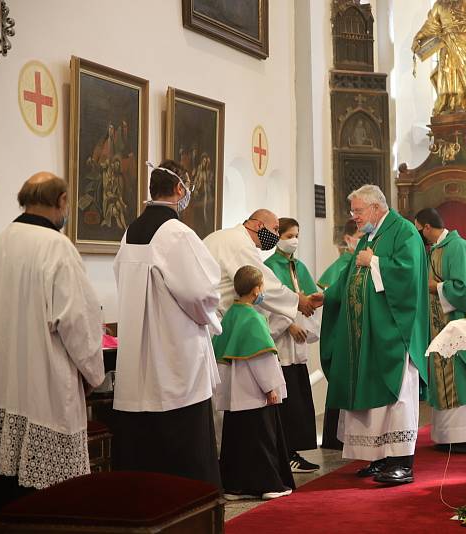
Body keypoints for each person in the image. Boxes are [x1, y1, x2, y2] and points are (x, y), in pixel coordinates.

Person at [0, 172, 105, 526]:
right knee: (48, 507)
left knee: (3, 499)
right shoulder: (57, 248)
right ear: (61, 202)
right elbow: (77, 323)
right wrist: (94, 374)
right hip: (44, 391)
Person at [112, 160, 222, 487]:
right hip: (177, 357)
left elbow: (122, 278)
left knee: (148, 458)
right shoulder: (176, 233)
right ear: (179, 189)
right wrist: (212, 320)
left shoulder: (130, 231)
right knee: (185, 455)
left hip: (138, 361)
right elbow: (200, 293)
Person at [312, 185, 429, 485]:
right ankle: (379, 458)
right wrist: (326, 297)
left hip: (395, 331)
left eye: (358, 211)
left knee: (398, 394)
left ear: (376, 208)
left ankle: (402, 461)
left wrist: (374, 262)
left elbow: (409, 274)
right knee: (373, 398)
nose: (354, 218)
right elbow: (349, 275)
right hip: (368, 333)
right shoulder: (369, 236)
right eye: (353, 212)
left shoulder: (404, 231)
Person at [213, 266, 295, 501]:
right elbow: (262, 358)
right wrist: (271, 387)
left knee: (235, 441)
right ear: (256, 289)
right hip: (254, 394)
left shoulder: (230, 315)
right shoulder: (253, 318)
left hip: (234, 394)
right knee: (261, 441)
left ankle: (234, 487)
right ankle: (268, 485)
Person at [415, 207, 466, 452]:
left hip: (458, 324)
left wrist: (435, 287)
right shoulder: (435, 249)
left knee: (459, 376)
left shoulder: (457, 247)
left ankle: (465, 435)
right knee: (443, 374)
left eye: (419, 230)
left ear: (427, 227)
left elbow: (465, 289)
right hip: (440, 326)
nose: (420, 237)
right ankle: (448, 436)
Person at [264, 217, 321, 473]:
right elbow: (267, 303)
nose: (294, 241)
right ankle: (285, 453)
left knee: (298, 398)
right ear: (278, 238)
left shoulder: (297, 266)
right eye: (289, 236)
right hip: (281, 339)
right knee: (286, 400)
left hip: (297, 345)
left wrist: (311, 305)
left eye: (297, 235)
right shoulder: (269, 266)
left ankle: (294, 450)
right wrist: (289, 324)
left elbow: (308, 295)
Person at [203, 209, 316, 320]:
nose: (276, 236)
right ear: (259, 226)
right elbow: (262, 285)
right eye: (275, 229)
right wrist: (297, 301)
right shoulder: (240, 243)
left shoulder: (224, 236)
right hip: (212, 317)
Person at [318, 219, 363, 450]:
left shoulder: (358, 262)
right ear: (348, 239)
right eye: (359, 234)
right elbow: (333, 298)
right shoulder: (342, 266)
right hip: (341, 332)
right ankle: (336, 438)